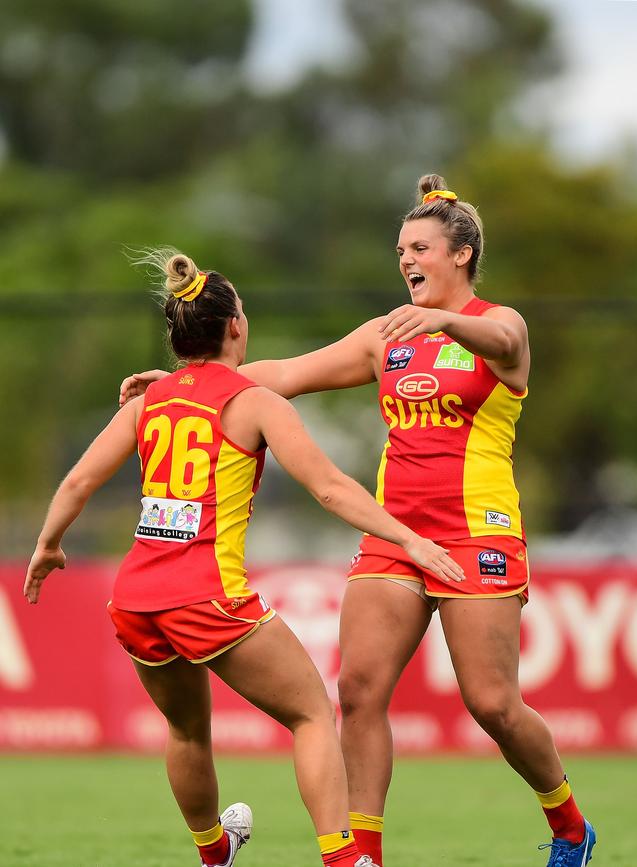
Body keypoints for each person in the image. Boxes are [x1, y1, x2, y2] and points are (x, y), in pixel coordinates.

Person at [119, 176, 597, 867]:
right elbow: (281, 372)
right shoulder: (386, 336)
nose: (406, 260)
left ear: (460, 254)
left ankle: (570, 825)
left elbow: (502, 337)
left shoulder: (501, 325)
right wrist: (178, 382)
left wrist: (447, 321)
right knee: (357, 691)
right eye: (401, 248)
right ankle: (362, 857)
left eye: (420, 247)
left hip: (477, 534)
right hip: (393, 536)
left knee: (492, 703)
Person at [25, 249, 466, 867]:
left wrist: (48, 545)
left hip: (135, 601)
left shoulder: (149, 402)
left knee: (185, 731)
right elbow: (331, 487)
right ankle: (345, 860)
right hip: (205, 595)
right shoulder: (253, 402)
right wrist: (410, 538)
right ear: (235, 327)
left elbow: (76, 483)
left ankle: (215, 853)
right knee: (313, 714)